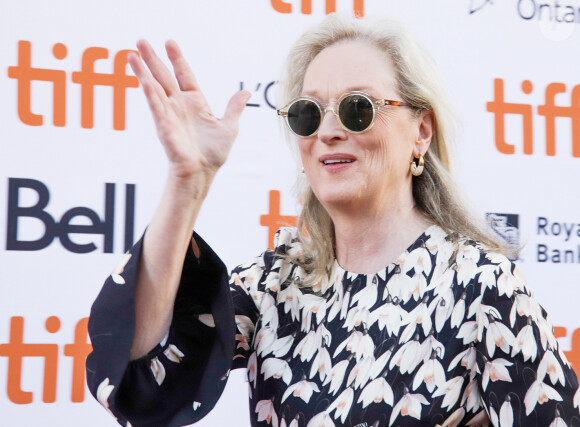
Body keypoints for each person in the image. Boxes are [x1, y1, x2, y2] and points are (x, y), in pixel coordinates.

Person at [86, 14, 580, 427]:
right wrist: (187, 182)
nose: (328, 130)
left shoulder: (480, 285)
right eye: (307, 114)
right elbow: (145, 379)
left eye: (357, 108)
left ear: (421, 132)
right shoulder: (275, 283)